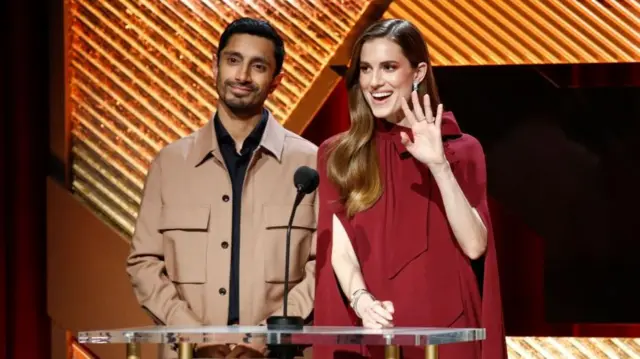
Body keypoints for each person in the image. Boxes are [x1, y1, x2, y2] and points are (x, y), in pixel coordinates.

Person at [313, 19, 507, 359]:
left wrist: (438, 166)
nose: (375, 82)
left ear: (417, 73)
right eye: (366, 69)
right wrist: (362, 301)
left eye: (389, 67)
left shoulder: (461, 150)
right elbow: (339, 249)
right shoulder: (338, 154)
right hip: (373, 332)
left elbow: (476, 246)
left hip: (447, 334)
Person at [126, 17, 318, 358]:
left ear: (276, 81)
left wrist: (269, 335)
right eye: (233, 61)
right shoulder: (169, 163)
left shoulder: (311, 163)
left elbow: (325, 267)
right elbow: (144, 263)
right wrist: (195, 334)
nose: (242, 76)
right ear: (214, 66)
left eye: (258, 66)